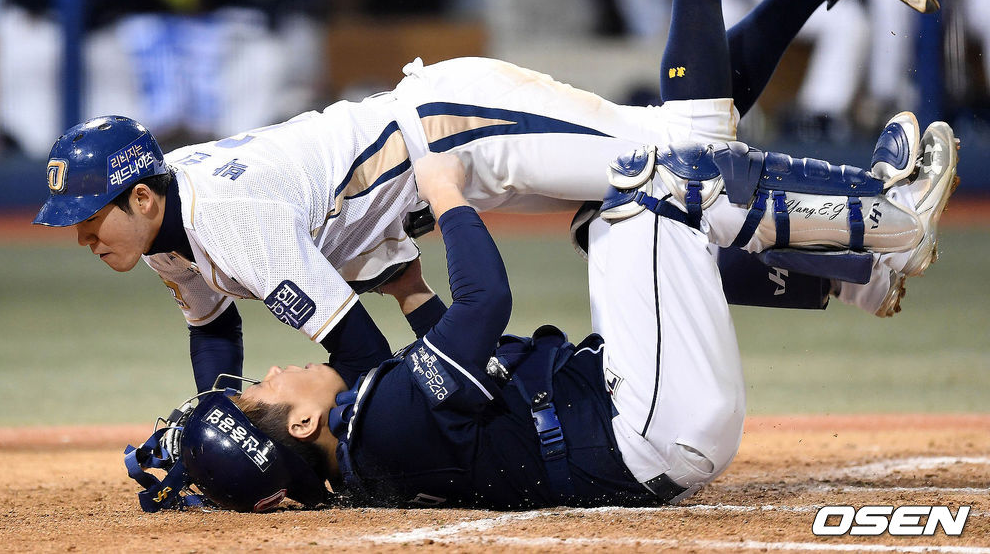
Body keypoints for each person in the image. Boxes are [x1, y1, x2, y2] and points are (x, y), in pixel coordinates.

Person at [35, 0, 943, 396]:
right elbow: (212, 330)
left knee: (683, 166)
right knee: (646, 185)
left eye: (88, 216)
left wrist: (348, 442)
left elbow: (353, 348)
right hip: (451, 154)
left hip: (459, 129)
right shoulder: (171, 228)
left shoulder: (221, 217)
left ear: (140, 196)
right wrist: (216, 416)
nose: (80, 235)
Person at [126, 121, 958, 512]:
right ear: (303, 419)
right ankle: (890, 214)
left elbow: (469, 387)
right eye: (262, 392)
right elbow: (489, 307)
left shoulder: (366, 447)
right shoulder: (378, 420)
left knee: (607, 223)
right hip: (648, 422)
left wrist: (414, 294)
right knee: (648, 179)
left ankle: (854, 272)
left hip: (633, 418)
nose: (272, 371)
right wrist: (448, 198)